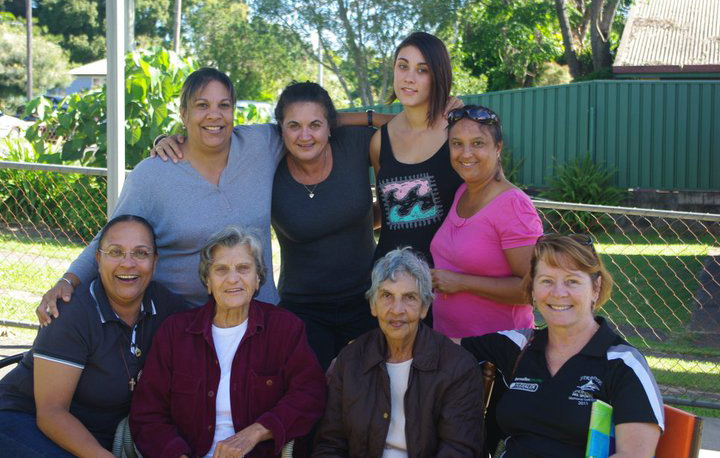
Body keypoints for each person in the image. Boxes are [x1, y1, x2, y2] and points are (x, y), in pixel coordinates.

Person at [36, 67, 285, 325]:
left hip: (260, 322)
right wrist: (67, 281)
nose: (214, 114)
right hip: (182, 328)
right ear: (184, 113)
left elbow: (311, 126)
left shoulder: (261, 145)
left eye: (224, 105)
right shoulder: (153, 174)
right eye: (202, 105)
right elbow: (110, 239)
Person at [130, 226, 326, 458]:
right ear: (207, 281)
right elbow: (147, 414)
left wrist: (255, 432)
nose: (233, 278)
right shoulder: (175, 333)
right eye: (221, 270)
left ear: (258, 278)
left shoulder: (285, 329)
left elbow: (310, 395)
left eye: (243, 268)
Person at [461, 234, 664, 457]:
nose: (558, 293)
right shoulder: (519, 346)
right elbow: (434, 347)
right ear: (533, 289)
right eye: (546, 281)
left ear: (596, 288)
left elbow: (634, 455)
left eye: (572, 281)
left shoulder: (623, 364)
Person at [0, 215, 188, 456]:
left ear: (155, 261)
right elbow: (51, 413)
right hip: (25, 421)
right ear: (98, 259)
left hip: (100, 435)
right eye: (115, 252)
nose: (128, 263)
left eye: (141, 253)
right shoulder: (71, 313)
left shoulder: (167, 307)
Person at [313, 248, 484, 457]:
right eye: (386, 296)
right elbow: (330, 444)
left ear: (425, 307)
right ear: (373, 305)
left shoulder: (458, 367)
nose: (397, 309)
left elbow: (459, 450)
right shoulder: (350, 360)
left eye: (409, 297)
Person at [271, 82, 377, 370]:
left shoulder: (353, 143)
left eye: (315, 124)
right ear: (280, 129)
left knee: (367, 396)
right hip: (303, 308)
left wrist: (349, 118)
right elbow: (214, 142)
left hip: (368, 299)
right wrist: (169, 140)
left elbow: (408, 129)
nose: (305, 136)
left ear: (331, 126)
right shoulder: (267, 159)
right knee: (312, 398)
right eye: (294, 125)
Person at [430, 105, 543, 338]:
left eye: (478, 143)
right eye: (457, 143)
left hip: (497, 353)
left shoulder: (513, 205)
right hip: (450, 346)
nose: (466, 153)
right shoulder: (462, 192)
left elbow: (532, 289)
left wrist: (462, 282)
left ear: (498, 147)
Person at [371, 31, 464, 265]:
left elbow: (491, 197)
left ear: (438, 76)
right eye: (403, 66)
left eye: (422, 70)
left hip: (445, 282)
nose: (409, 78)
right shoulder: (380, 141)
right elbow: (384, 212)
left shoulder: (458, 132)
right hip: (390, 282)